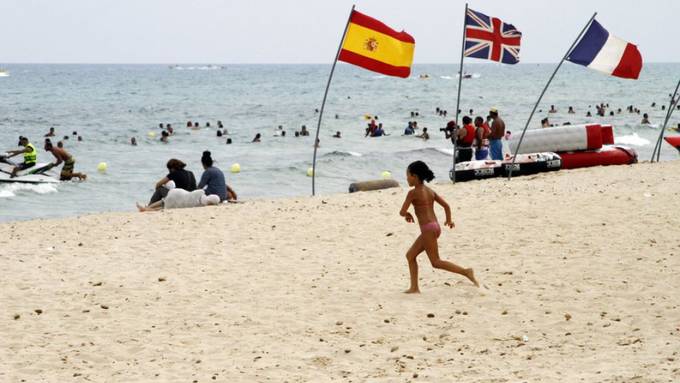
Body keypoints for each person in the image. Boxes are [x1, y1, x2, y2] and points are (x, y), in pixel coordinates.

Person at [399, 161, 478, 293]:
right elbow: (446, 206)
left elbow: (401, 211)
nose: (406, 178)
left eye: (407, 175)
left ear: (415, 176)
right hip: (435, 227)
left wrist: (406, 214)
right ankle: (414, 287)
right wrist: (448, 220)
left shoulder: (412, 193)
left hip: (427, 229)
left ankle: (466, 272)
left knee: (435, 262)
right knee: (410, 255)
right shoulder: (430, 191)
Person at [137, 188, 220, 212]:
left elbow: (195, 191)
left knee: (164, 201)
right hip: (180, 197)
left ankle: (148, 207)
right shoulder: (202, 205)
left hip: (179, 192)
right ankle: (147, 209)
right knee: (164, 207)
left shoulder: (201, 193)